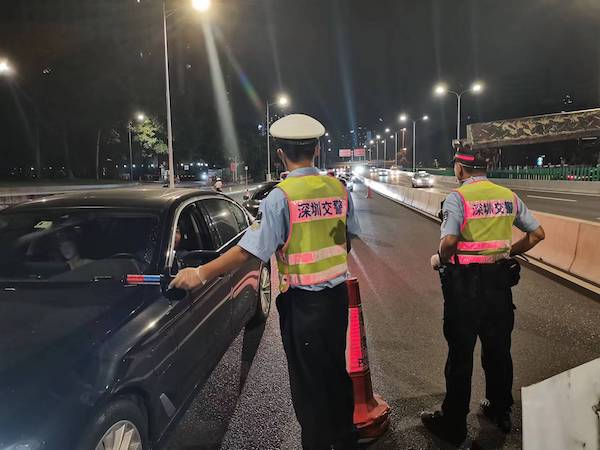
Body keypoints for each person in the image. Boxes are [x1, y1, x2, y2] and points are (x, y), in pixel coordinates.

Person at [170, 113, 361, 450]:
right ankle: (346, 440)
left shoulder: (281, 197)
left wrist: (200, 273)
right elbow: (348, 239)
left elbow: (249, 251)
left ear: (280, 154)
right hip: (336, 300)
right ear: (317, 149)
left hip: (304, 306)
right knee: (335, 371)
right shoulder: (339, 189)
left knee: (309, 386)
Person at [421, 141, 545, 446]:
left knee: (460, 356)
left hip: (464, 288)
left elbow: (450, 242)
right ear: (485, 168)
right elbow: (537, 234)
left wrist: (441, 258)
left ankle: (453, 425)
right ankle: (500, 412)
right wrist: (507, 252)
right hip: (499, 287)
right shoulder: (507, 197)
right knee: (499, 351)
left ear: (460, 168)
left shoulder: (458, 198)